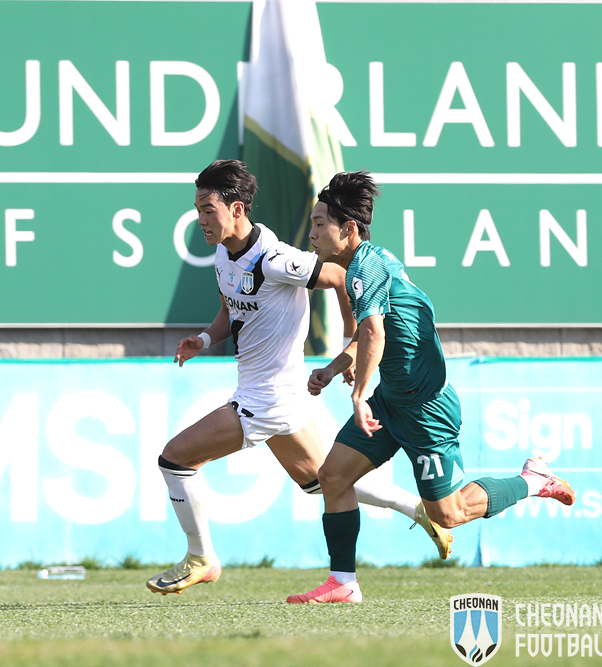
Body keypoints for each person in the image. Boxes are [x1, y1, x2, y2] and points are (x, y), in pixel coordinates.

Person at [147, 160, 452, 596]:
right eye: (197, 210)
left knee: (175, 460)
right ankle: (417, 509)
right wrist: (204, 338)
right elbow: (230, 311)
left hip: (267, 399)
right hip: (277, 395)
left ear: (237, 209)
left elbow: (342, 277)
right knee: (320, 481)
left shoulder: (275, 259)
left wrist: (349, 343)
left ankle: (201, 558)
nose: (201, 220)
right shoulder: (223, 254)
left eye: (207, 210)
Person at [287, 170, 576, 604]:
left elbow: (374, 333)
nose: (311, 233)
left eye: (319, 223)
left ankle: (533, 480)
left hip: (425, 409)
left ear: (348, 229)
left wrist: (358, 393)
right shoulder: (366, 265)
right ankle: (343, 582)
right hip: (392, 401)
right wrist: (333, 369)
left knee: (450, 513)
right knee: (332, 476)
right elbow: (373, 333)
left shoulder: (364, 266)